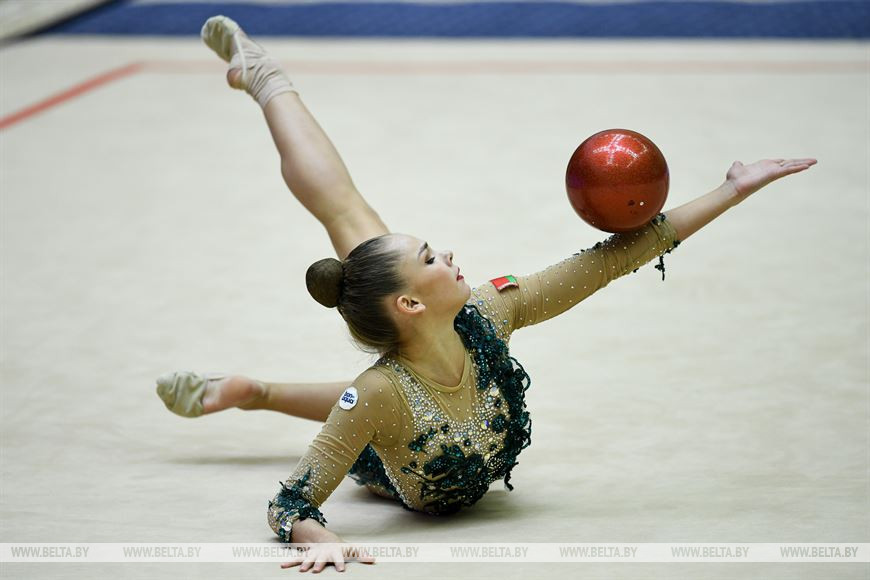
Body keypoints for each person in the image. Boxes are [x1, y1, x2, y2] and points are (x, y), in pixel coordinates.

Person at [155, 15, 817, 573]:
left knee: (357, 231)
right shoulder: (377, 395)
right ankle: (267, 82)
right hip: (392, 454)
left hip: (411, 381)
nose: (449, 256)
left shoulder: (486, 314)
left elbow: (615, 257)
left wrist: (734, 187)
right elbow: (291, 503)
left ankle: (256, 388)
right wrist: (319, 540)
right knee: (371, 325)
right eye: (431, 258)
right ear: (410, 301)